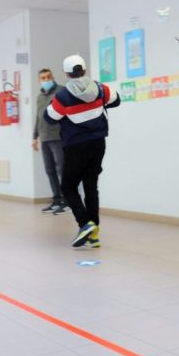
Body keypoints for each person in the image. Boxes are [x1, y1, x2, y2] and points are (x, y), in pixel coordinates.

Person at [45, 55, 120, 248]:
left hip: (76, 146)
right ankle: (94, 234)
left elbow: (50, 117)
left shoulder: (62, 96)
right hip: (98, 143)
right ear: (84, 70)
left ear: (67, 73)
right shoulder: (100, 88)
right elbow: (116, 100)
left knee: (68, 186)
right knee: (90, 186)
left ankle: (85, 223)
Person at [33, 68, 68, 214]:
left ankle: (68, 201)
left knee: (62, 169)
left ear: (53, 77)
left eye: (48, 77)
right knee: (50, 170)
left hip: (59, 136)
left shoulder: (61, 91)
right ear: (39, 80)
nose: (46, 80)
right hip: (44, 138)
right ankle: (57, 200)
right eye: (43, 78)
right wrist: (34, 137)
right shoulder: (40, 97)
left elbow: (68, 112)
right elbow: (38, 117)